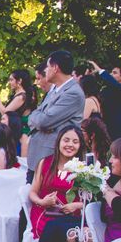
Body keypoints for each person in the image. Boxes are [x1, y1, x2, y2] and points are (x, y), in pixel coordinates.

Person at [29, 126, 88, 242]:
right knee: (63, 231)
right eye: (66, 140)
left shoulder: (83, 168)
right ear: (59, 142)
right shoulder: (45, 162)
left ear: (80, 145)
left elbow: (91, 199)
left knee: (77, 232)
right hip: (46, 212)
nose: (70, 144)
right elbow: (33, 191)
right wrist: (42, 201)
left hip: (72, 213)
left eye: (75, 141)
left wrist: (76, 206)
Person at [27, 50, 85, 182]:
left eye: (47, 67)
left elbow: (44, 121)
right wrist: (37, 117)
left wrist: (39, 119)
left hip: (51, 159)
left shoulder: (73, 93)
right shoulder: (55, 89)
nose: (45, 71)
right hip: (37, 158)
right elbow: (34, 115)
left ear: (55, 68)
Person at [0, 69, 36, 156]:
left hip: (22, 130)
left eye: (11, 80)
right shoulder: (18, 95)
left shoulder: (21, 97)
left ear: (19, 81)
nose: (9, 82)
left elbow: (5, 112)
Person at [88, 60, 121, 139]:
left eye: (115, 73)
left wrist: (100, 70)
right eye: (111, 72)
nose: (111, 74)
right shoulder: (107, 89)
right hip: (106, 129)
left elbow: (117, 86)